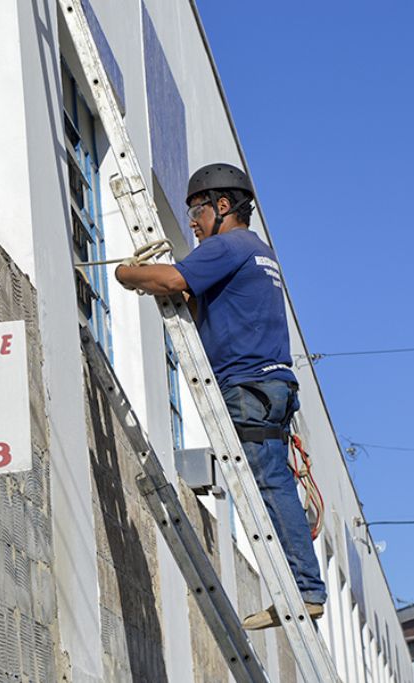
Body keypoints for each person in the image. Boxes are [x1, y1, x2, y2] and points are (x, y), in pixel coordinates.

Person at [114, 163, 326, 630]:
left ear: (223, 206)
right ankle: (300, 588)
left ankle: (304, 590)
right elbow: (194, 301)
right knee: (270, 483)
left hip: (248, 385)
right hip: (267, 384)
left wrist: (130, 274)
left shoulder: (227, 245)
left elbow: (173, 281)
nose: (192, 221)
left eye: (196, 210)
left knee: (269, 485)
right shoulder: (257, 251)